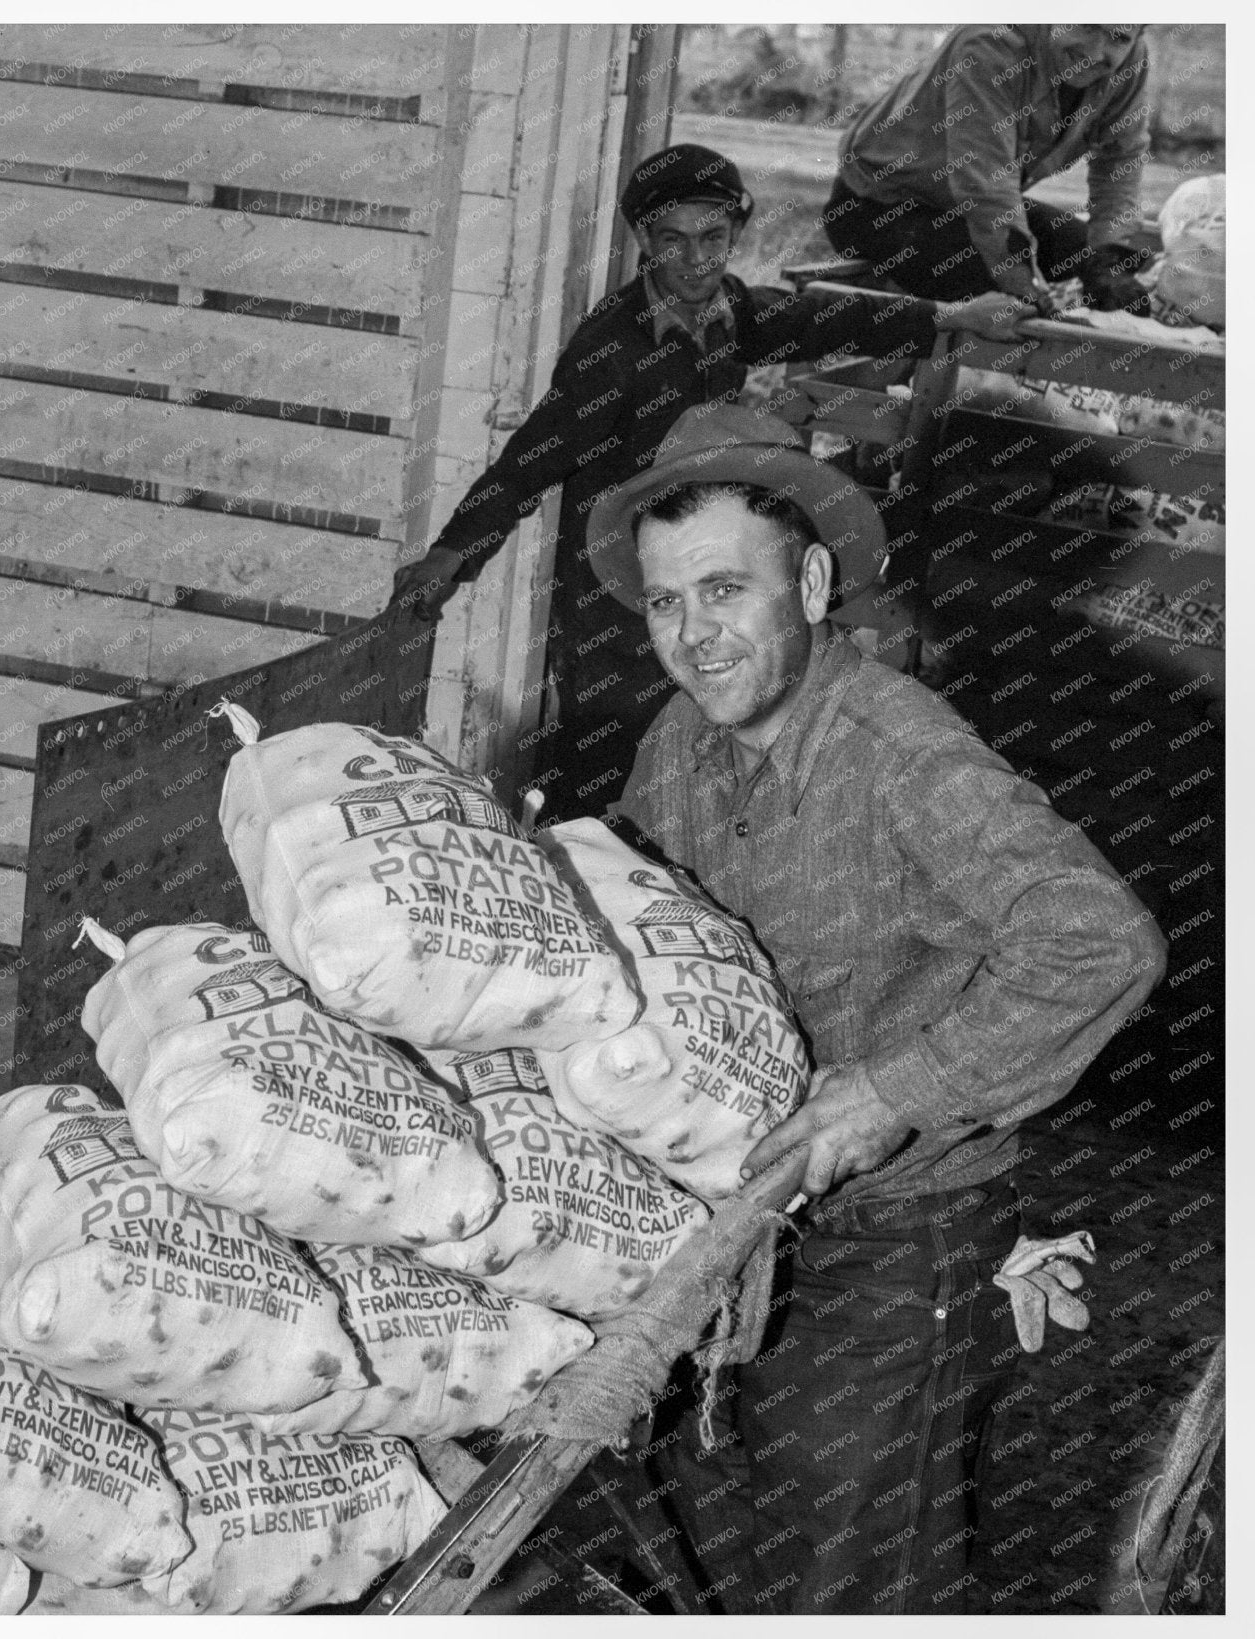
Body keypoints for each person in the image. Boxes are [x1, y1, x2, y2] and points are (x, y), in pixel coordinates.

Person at [585, 402, 1167, 1613]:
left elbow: (1097, 942)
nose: (692, 637)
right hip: (737, 1213)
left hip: (902, 1232)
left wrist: (896, 1091)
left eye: (722, 591)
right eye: (662, 603)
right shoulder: (677, 742)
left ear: (804, 582)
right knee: (709, 1511)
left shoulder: (899, 756)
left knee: (849, 1560)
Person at [388, 143, 1026, 820]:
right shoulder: (614, 351)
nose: (696, 262)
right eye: (674, 241)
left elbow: (810, 319)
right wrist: (451, 555)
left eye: (713, 239)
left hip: (696, 569)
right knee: (608, 756)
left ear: (736, 235)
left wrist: (945, 318)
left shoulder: (726, 312)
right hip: (614, 593)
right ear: (642, 240)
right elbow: (531, 459)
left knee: (689, 744)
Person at [825, 25, 1155, 314]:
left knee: (1092, 261)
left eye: (1118, 36)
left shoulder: (1130, 61)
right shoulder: (990, 42)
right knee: (1000, 292)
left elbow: (1120, 159)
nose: (1095, 51)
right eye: (1085, 25)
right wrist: (1027, 290)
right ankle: (916, 374)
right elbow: (986, 187)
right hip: (879, 205)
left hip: (962, 207)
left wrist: (1109, 258)